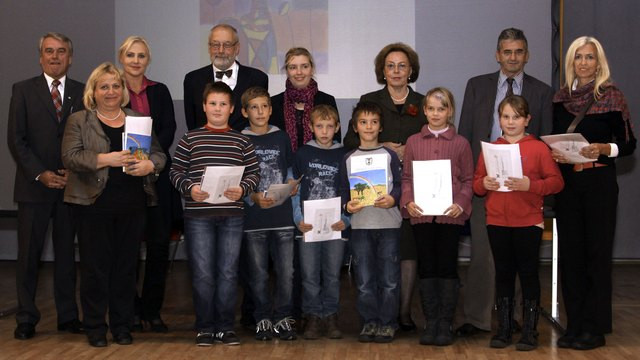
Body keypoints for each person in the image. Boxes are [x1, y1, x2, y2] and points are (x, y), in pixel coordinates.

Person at [457, 28, 554, 337]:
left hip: (524, 190)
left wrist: (534, 187)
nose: (513, 57)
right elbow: (466, 134)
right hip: (484, 185)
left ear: (526, 54)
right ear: (498, 54)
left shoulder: (542, 91)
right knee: (483, 255)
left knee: (523, 260)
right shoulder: (477, 86)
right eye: (507, 52)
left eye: (519, 52)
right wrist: (473, 182)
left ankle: (521, 322)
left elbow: (547, 142)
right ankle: (479, 318)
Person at [61, 62, 166, 347]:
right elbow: (70, 157)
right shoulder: (79, 121)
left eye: (115, 86)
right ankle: (95, 327)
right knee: (95, 269)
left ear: (123, 91)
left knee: (126, 270)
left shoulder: (139, 119)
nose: (110, 91)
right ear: (93, 91)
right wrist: (104, 159)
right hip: (93, 206)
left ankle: (122, 326)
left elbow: (158, 155)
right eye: (104, 86)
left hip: (132, 205)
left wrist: (150, 167)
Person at [551, 36, 636, 351]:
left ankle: (595, 328)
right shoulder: (560, 99)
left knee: (596, 257)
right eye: (578, 57)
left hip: (599, 184)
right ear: (571, 62)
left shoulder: (612, 97)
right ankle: (574, 325)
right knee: (571, 256)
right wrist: (556, 155)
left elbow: (629, 144)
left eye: (589, 57)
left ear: (599, 63)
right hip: (569, 185)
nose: (584, 63)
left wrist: (604, 149)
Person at [343, 42, 426, 331]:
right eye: (390, 65)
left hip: (416, 186)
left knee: (409, 250)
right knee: (376, 261)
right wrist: (383, 146)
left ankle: (402, 313)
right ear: (382, 70)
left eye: (402, 65)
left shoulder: (423, 102)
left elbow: (432, 139)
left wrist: (411, 150)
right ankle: (376, 317)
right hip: (378, 195)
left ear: (411, 69)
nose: (396, 71)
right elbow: (350, 142)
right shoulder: (370, 100)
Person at [170, 82, 260, 347]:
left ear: (231, 108)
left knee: (228, 273)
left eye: (223, 104)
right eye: (213, 104)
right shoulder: (191, 138)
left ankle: (225, 327)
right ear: (204, 107)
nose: (218, 109)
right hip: (198, 217)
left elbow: (254, 173)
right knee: (202, 274)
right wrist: (190, 188)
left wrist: (243, 188)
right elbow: (176, 172)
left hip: (232, 215)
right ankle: (205, 327)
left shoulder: (242, 140)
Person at [7, 32, 84, 340]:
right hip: (33, 188)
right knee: (29, 256)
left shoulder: (81, 92)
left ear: (70, 57)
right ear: (40, 57)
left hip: (70, 186)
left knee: (67, 255)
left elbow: (85, 138)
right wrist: (41, 173)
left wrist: (72, 172)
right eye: (49, 52)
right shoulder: (23, 90)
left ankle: (67, 316)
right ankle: (26, 317)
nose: (55, 57)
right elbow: (16, 139)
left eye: (61, 51)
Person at [474, 95, 564, 350]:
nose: (510, 122)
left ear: (527, 120)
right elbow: (476, 183)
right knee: (503, 274)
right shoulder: (491, 148)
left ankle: (530, 330)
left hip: (528, 221)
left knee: (528, 274)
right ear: (499, 119)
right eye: (505, 116)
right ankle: (503, 328)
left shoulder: (538, 148)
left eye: (516, 117)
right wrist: (484, 184)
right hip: (497, 221)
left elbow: (557, 182)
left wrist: (530, 185)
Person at [400, 88, 474, 346]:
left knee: (447, 267)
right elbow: (407, 178)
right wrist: (407, 201)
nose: (435, 113)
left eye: (440, 109)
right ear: (424, 111)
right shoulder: (413, 142)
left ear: (449, 111)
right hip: (421, 217)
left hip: (449, 217)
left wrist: (460, 203)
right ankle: (431, 322)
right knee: (427, 267)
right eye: (430, 108)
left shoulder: (461, 143)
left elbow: (467, 180)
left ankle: (445, 322)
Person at [117, 35, 179, 333]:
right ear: (122, 58)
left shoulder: (160, 91)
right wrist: (131, 162)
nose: (136, 60)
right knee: (126, 248)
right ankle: (128, 310)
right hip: (123, 178)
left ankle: (152, 311)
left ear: (148, 60)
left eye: (141, 55)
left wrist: (149, 160)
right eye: (131, 55)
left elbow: (168, 129)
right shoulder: (113, 90)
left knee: (157, 247)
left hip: (156, 177)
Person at [339, 101, 402, 343]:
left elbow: (399, 185)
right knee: (364, 280)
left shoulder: (389, 155)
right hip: (361, 226)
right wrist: (347, 205)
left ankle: (388, 323)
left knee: (389, 279)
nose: (369, 126)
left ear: (380, 127)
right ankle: (369, 322)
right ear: (355, 127)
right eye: (363, 122)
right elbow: (344, 190)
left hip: (388, 225)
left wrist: (393, 198)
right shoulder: (348, 158)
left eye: (374, 122)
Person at [240, 87, 297, 341]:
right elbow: (237, 181)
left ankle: (284, 317)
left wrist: (292, 186)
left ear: (271, 109)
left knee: (286, 272)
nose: (260, 111)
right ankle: (262, 318)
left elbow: (289, 171)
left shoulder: (281, 137)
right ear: (244, 112)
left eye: (264, 106)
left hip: (283, 218)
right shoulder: (240, 140)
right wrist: (251, 197)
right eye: (254, 107)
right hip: (255, 220)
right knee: (258, 274)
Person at [292, 104, 349, 340]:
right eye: (319, 126)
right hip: (308, 227)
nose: (324, 131)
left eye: (329, 126)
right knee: (309, 274)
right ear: (311, 127)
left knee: (333, 274)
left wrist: (347, 218)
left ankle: (331, 316)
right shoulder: (302, 154)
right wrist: (297, 218)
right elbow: (293, 189)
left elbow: (350, 191)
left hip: (336, 227)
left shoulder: (344, 155)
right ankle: (313, 317)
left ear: (337, 128)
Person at [184, 23, 268, 131]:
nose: (220, 50)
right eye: (215, 45)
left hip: (245, 146)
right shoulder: (192, 80)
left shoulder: (258, 79)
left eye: (227, 45)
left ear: (237, 48)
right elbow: (192, 124)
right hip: (207, 146)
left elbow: (260, 121)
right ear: (209, 48)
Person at [271, 47, 340, 152]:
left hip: (319, 163)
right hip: (285, 165)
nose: (299, 72)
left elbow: (336, 140)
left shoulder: (327, 100)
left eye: (304, 66)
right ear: (287, 71)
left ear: (311, 69)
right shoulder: (274, 103)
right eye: (293, 67)